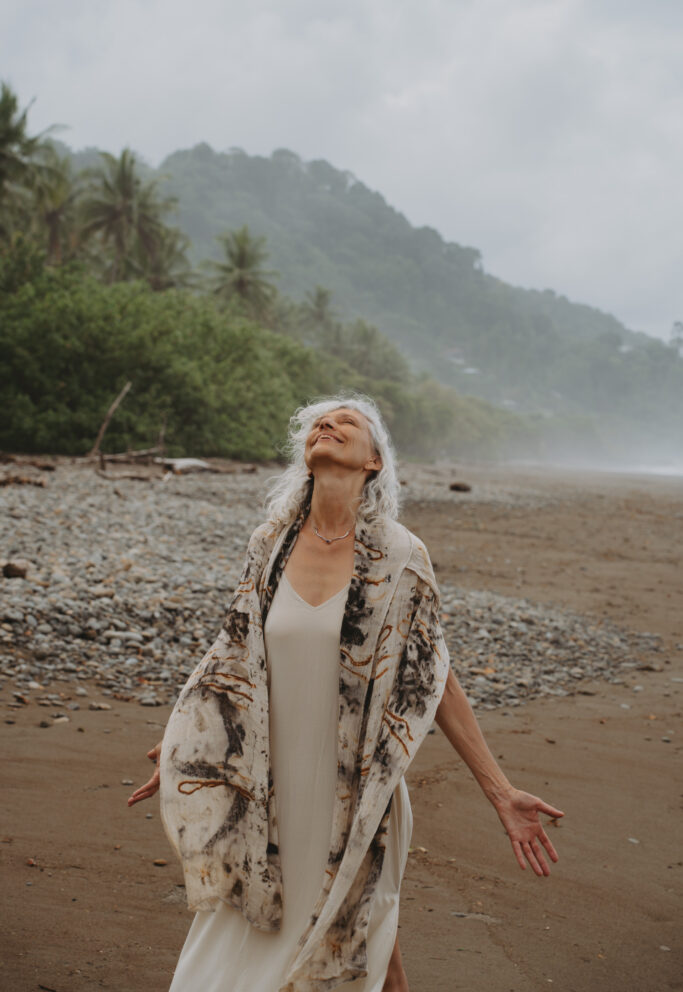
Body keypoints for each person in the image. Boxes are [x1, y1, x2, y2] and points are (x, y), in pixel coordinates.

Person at [128, 393, 563, 992]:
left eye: (346, 422)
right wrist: (187, 738)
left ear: (374, 461)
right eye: (316, 424)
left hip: (356, 793)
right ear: (305, 455)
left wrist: (501, 790)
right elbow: (231, 653)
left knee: (355, 938)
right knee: (288, 946)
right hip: (267, 788)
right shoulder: (269, 545)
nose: (325, 425)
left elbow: (434, 679)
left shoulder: (401, 556)